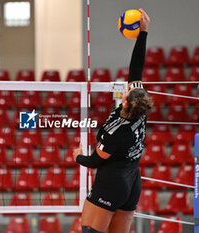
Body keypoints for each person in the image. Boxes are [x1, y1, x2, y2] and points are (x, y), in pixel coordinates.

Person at [73, 9, 153, 233]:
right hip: (132, 181)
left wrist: (77, 156)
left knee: (90, 229)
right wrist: (143, 32)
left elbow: (95, 162)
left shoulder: (115, 131)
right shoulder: (140, 111)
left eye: (126, 94)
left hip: (111, 183)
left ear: (126, 103)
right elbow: (136, 69)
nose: (126, 90)